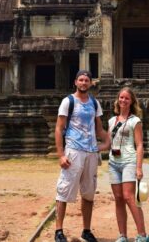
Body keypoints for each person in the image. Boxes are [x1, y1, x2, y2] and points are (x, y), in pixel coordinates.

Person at [54, 70, 107, 242]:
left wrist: (108, 141)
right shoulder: (67, 101)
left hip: (91, 153)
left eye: (87, 80)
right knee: (64, 190)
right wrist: (61, 155)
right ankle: (59, 230)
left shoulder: (94, 103)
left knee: (89, 193)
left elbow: (99, 129)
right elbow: (59, 128)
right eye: (81, 80)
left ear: (91, 83)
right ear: (76, 82)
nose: (84, 83)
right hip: (73, 151)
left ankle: (86, 230)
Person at [104, 87, 149, 242]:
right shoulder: (111, 121)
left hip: (129, 161)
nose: (123, 101)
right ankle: (122, 235)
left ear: (131, 102)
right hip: (113, 162)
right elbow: (107, 143)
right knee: (118, 198)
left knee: (129, 197)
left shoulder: (135, 121)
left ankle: (142, 235)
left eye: (127, 98)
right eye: (121, 98)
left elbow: (139, 145)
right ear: (118, 100)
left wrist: (139, 167)